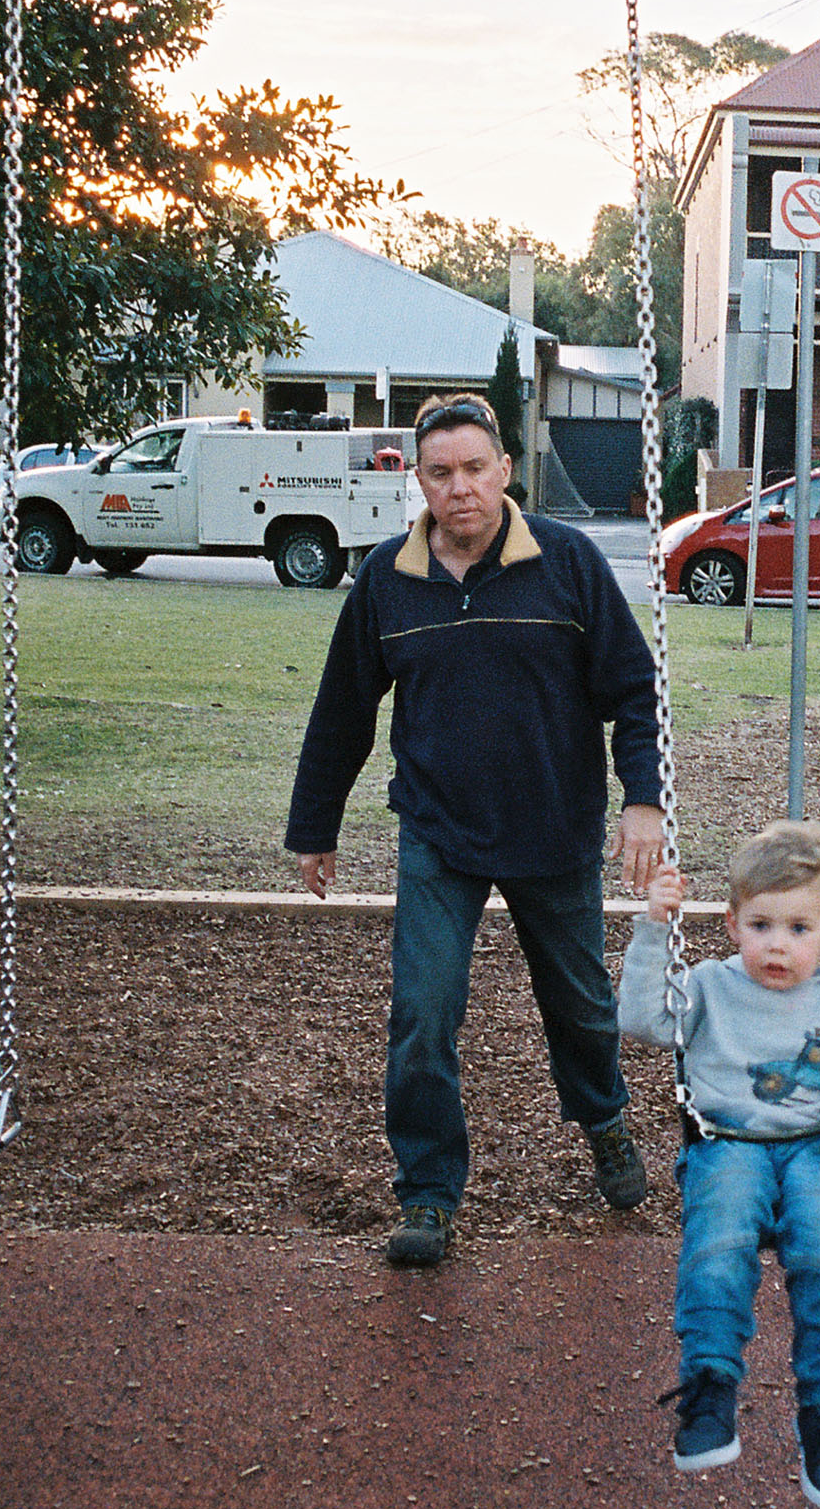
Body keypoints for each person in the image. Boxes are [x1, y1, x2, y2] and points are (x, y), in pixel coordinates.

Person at [285, 391, 667, 1269]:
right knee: (423, 1011)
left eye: (474, 468)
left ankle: (604, 1120)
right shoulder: (387, 579)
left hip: (553, 826)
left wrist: (641, 797)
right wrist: (316, 826)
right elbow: (342, 711)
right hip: (439, 831)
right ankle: (427, 1190)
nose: (459, 488)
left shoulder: (566, 563)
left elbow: (632, 690)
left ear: (504, 470)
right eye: (440, 472)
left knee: (581, 1006)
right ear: (417, 480)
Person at [620, 820, 820, 1509]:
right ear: (733, 923)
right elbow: (641, 1020)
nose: (776, 943)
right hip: (727, 1141)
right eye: (760, 923)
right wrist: (652, 928)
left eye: (798, 927)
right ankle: (708, 1384)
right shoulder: (707, 984)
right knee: (719, 1242)